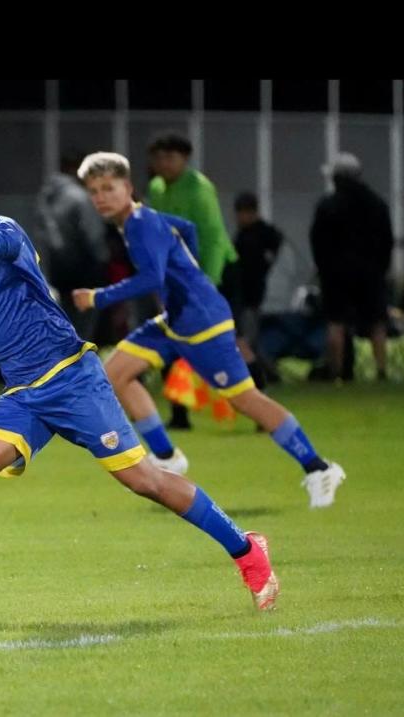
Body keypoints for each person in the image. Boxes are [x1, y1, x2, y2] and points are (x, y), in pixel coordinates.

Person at [0, 161, 279, 617]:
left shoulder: (4, 232)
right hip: (26, 393)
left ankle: (247, 550)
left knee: (144, 481)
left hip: (72, 381)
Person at [71, 152, 345, 509]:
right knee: (115, 374)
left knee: (245, 400)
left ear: (129, 188)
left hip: (204, 324)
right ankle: (167, 457)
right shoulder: (141, 219)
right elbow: (188, 230)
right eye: (94, 191)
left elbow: (151, 277)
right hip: (177, 318)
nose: (101, 197)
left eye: (108, 188)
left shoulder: (140, 224)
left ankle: (319, 467)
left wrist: (98, 297)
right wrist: (188, 276)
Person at [147, 133, 238, 430]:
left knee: (226, 345)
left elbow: (212, 238)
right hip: (176, 279)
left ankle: (257, 389)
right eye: (159, 158)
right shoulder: (157, 188)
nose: (163, 164)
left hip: (213, 274)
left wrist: (208, 283)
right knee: (173, 340)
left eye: (170, 157)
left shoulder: (200, 189)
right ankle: (179, 414)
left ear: (185, 159)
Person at [310, 152, 394, 381]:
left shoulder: (328, 205)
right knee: (377, 322)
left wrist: (324, 269)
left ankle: (336, 373)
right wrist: (380, 268)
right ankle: (381, 370)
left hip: (336, 275)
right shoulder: (377, 204)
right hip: (371, 273)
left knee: (335, 322)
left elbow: (317, 242)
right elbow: (387, 240)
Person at [36, 151, 109, 338]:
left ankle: (65, 363)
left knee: (66, 323)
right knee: (85, 328)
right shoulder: (79, 197)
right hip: (85, 272)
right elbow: (93, 235)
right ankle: (80, 364)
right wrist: (104, 261)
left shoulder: (45, 198)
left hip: (58, 273)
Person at [229, 191, 285, 389]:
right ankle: (266, 371)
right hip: (244, 292)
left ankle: (265, 373)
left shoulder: (257, 234)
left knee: (248, 339)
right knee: (248, 338)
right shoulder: (246, 234)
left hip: (251, 293)